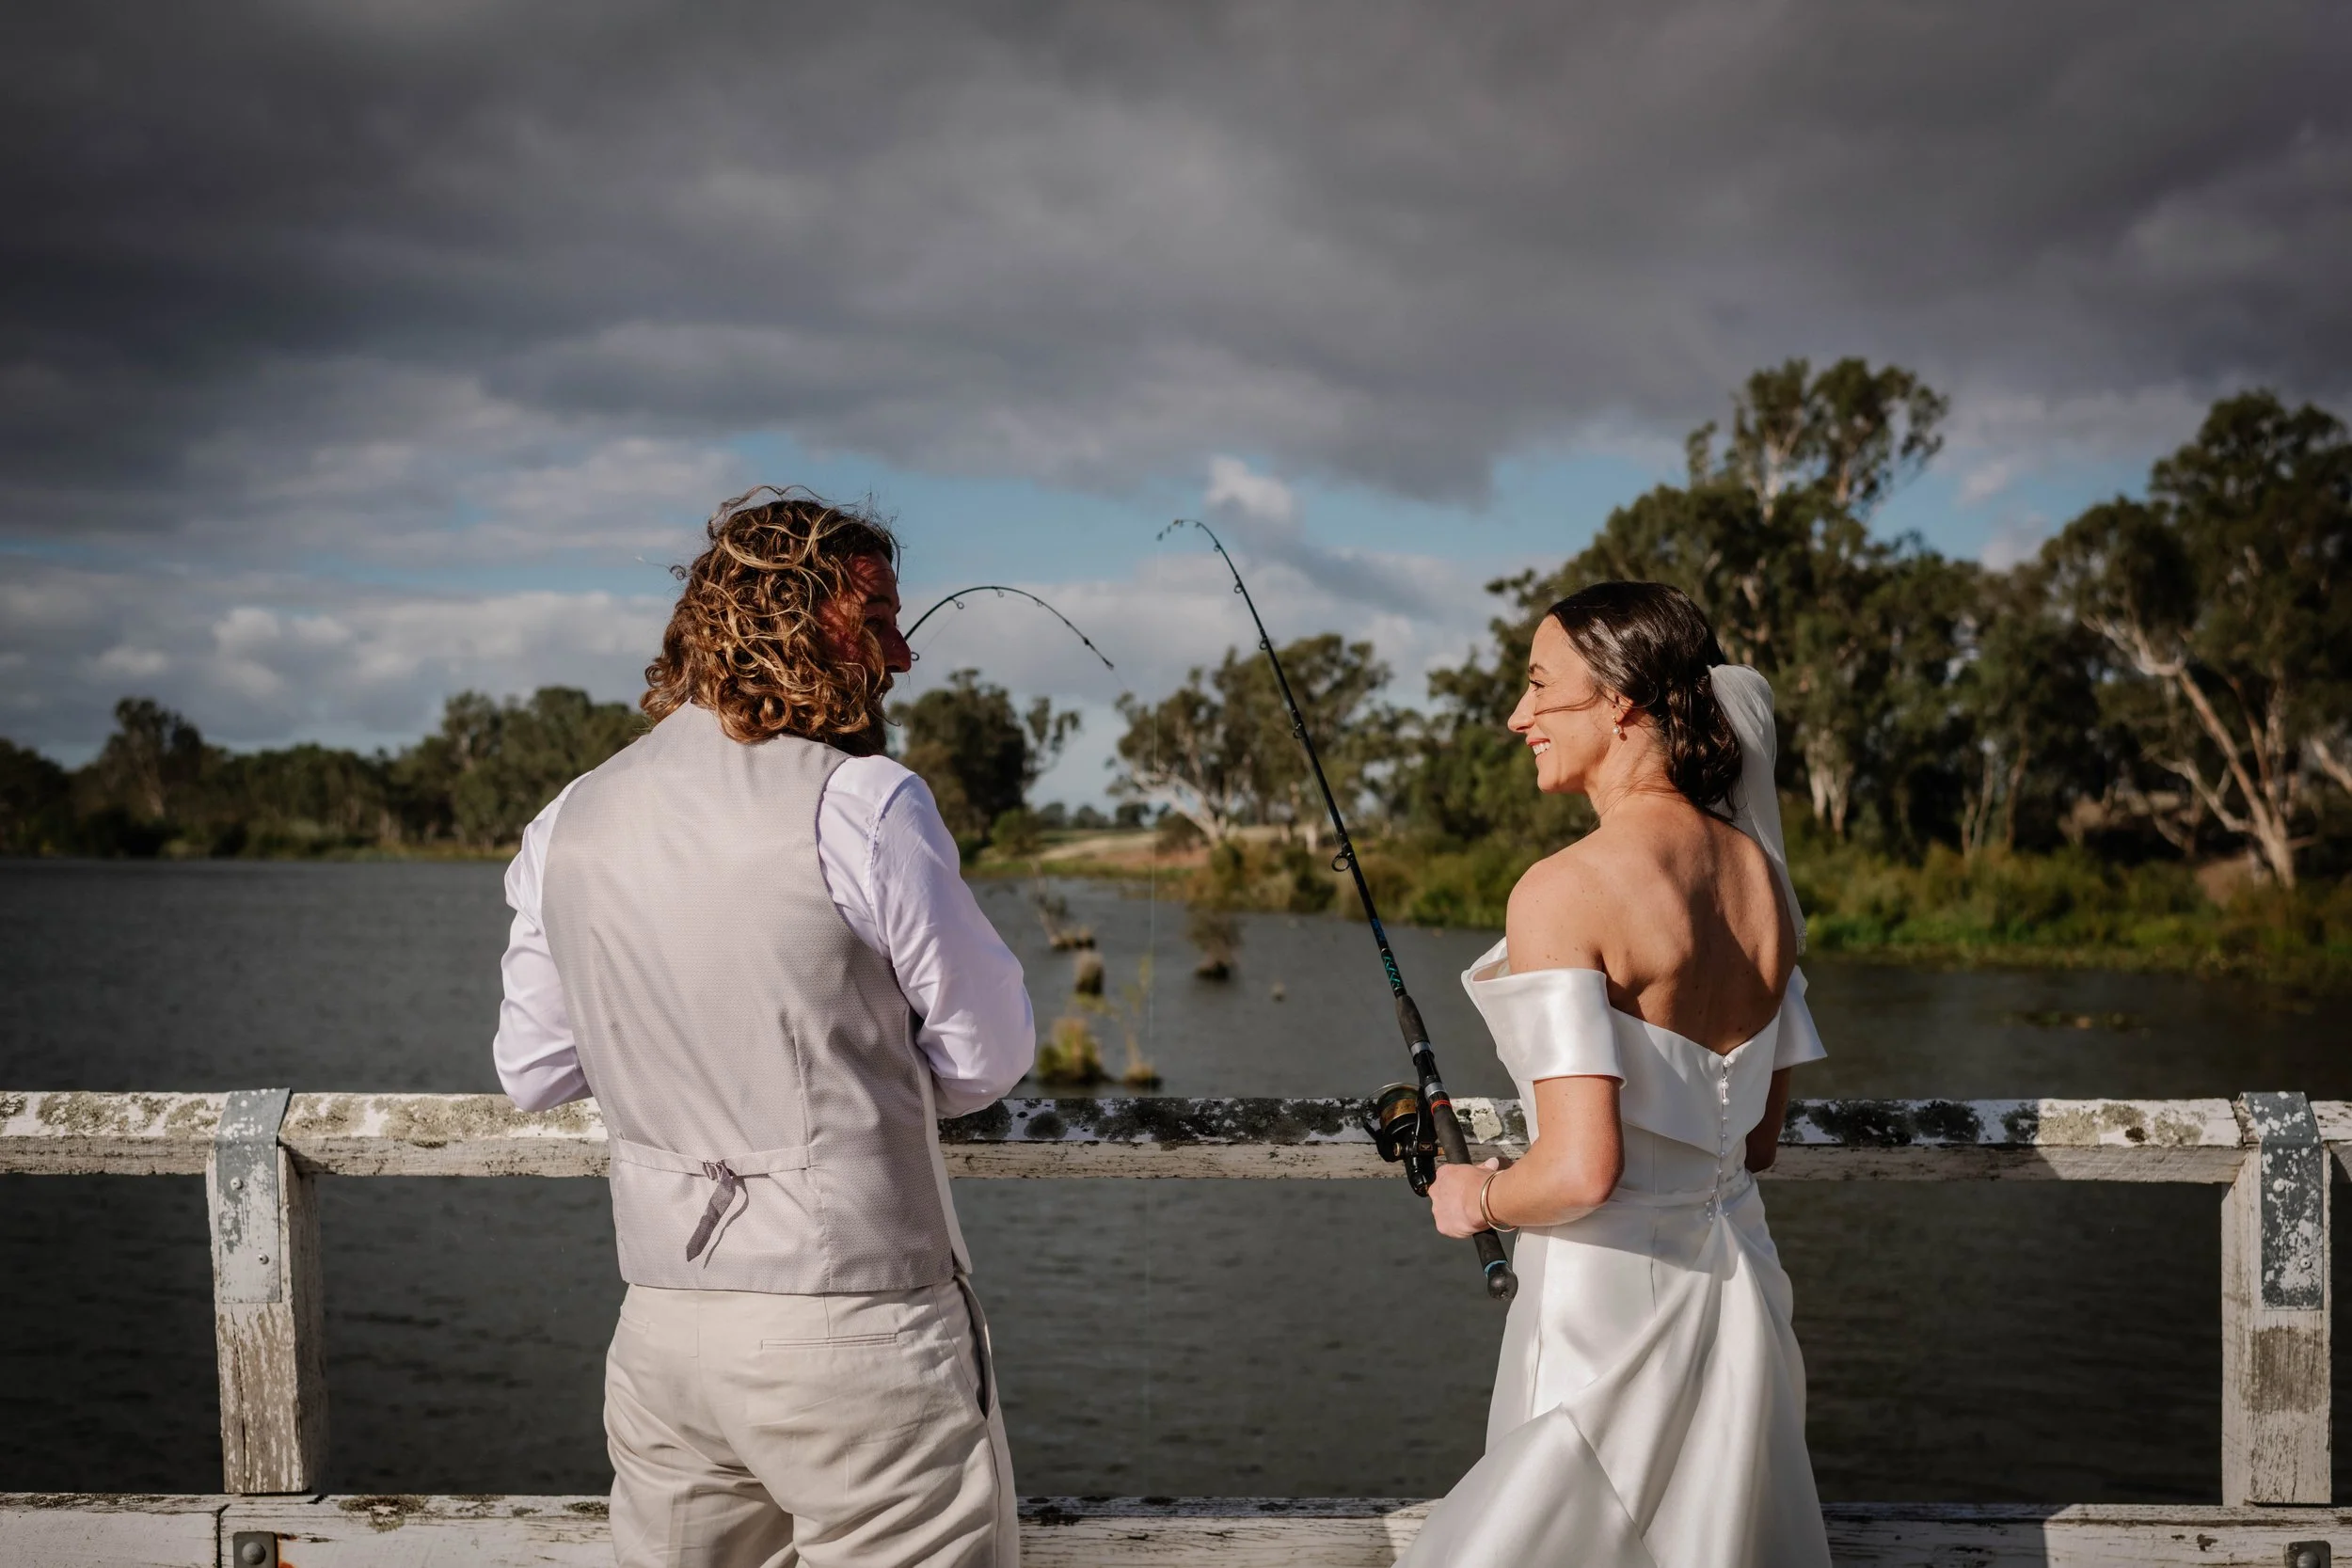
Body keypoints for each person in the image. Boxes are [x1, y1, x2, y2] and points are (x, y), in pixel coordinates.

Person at [491, 486, 1035, 1568]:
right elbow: (985, 1056)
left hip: (663, 1330)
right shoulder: (864, 801)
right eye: (876, 615)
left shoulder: (570, 816)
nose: (902, 654)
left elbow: (536, 1068)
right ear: (793, 615)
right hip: (858, 1326)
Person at [1398, 580, 1831, 1568]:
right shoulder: (1766, 881)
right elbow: (1755, 1141)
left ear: (1623, 700)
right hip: (1742, 1297)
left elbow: (1583, 1169)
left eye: (1539, 685)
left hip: (1604, 1311)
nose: (1518, 716)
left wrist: (1477, 1192)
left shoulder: (1563, 889)